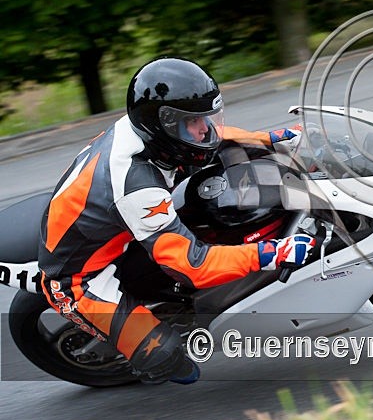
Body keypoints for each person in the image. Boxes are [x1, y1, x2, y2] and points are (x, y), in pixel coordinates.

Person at [37, 57, 315, 384]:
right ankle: (144, 351)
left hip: (117, 232)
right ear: (164, 124)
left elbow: (217, 136)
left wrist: (271, 139)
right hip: (80, 279)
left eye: (208, 117)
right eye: (193, 123)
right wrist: (273, 253)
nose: (206, 130)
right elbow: (193, 266)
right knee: (170, 360)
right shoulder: (136, 184)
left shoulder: (147, 132)